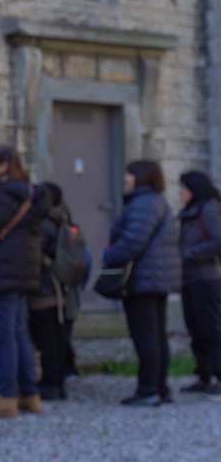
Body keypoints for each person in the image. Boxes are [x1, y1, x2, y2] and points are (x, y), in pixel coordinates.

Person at [0, 146, 53, 418]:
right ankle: (29, 394)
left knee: (5, 334)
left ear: (4, 166)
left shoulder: (6, 193)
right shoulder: (28, 192)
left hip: (4, 269)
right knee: (19, 332)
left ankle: (6, 396)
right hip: (24, 268)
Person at [102, 161, 181, 406]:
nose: (125, 178)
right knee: (156, 336)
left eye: (129, 174)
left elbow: (134, 241)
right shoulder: (156, 201)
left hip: (143, 279)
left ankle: (148, 389)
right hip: (155, 277)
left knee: (146, 337)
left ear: (140, 177)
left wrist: (109, 256)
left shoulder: (143, 203)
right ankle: (160, 387)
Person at [177, 171, 221, 399]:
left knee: (212, 330)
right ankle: (204, 376)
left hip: (206, 280)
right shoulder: (189, 212)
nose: (179, 192)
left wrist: (189, 255)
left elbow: (218, 240)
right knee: (196, 331)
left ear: (194, 189)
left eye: (183, 187)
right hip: (189, 280)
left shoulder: (209, 209)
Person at [29, 182, 73, 401]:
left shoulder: (46, 222)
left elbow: (35, 251)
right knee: (55, 337)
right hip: (56, 288)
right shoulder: (61, 219)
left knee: (47, 339)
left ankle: (50, 384)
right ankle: (56, 382)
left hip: (45, 289)